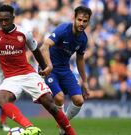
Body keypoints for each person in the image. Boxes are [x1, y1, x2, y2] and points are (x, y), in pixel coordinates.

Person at [0, 4, 76, 135]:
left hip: (28, 74)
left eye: (6, 20)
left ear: (13, 18)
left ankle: (71, 133)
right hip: (10, 78)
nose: (3, 23)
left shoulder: (24, 33)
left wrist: (45, 68)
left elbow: (36, 51)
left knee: (50, 105)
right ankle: (30, 127)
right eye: (0, 20)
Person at [40, 5, 92, 134]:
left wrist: (84, 81)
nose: (82, 23)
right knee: (59, 97)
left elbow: (80, 59)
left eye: (85, 21)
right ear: (73, 18)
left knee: (79, 100)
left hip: (64, 69)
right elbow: (44, 47)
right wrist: (48, 66)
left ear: (88, 21)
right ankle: (64, 125)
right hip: (50, 68)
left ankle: (63, 124)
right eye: (79, 20)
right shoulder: (63, 29)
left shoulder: (83, 39)